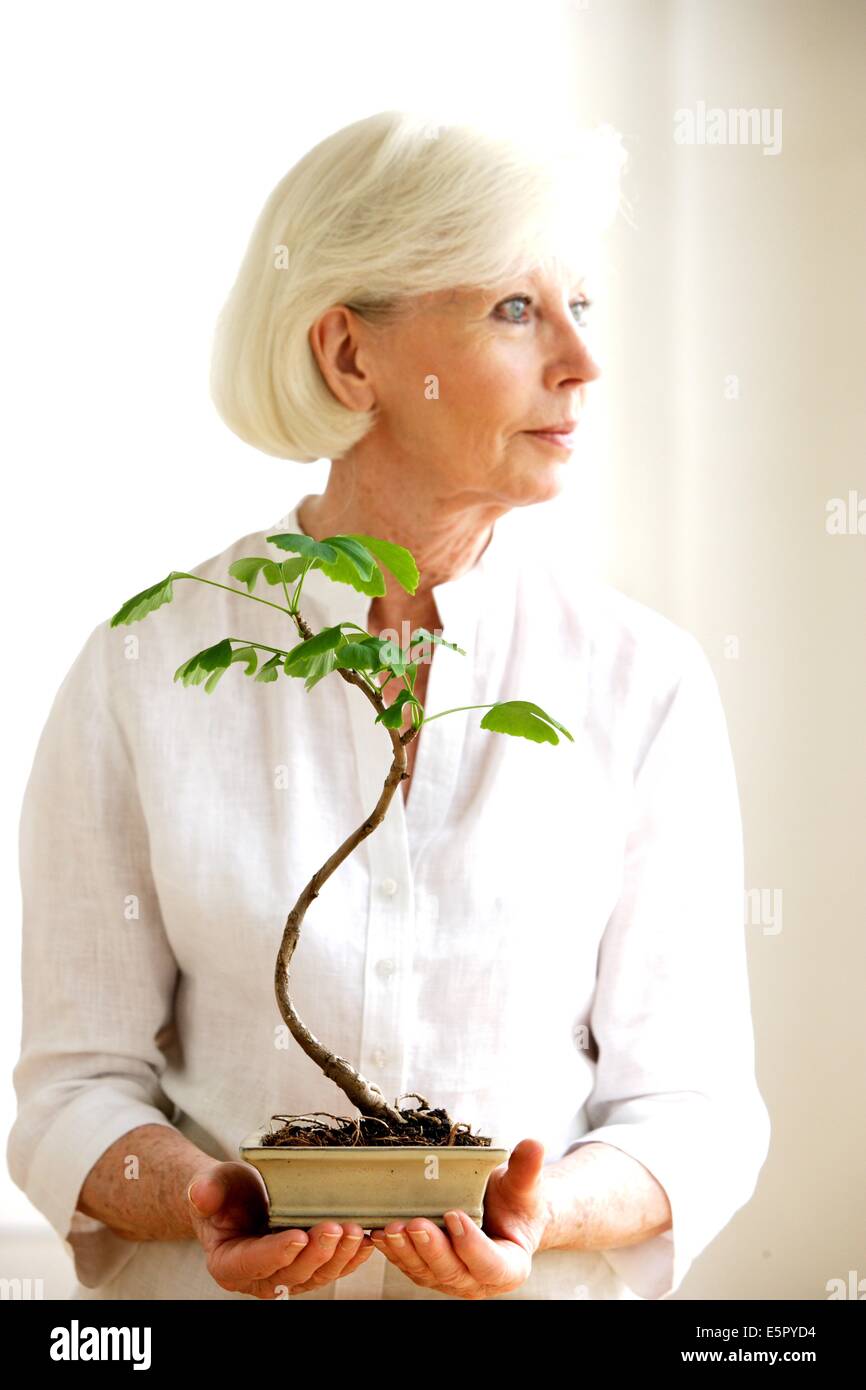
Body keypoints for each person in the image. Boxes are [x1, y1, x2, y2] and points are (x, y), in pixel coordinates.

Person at [7, 110, 770, 1301]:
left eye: (580, 302)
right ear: (350, 358)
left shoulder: (642, 678)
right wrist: (199, 1198)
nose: (581, 359)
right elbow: (70, 1089)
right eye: (514, 310)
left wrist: (530, 1210)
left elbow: (691, 1108)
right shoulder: (146, 663)